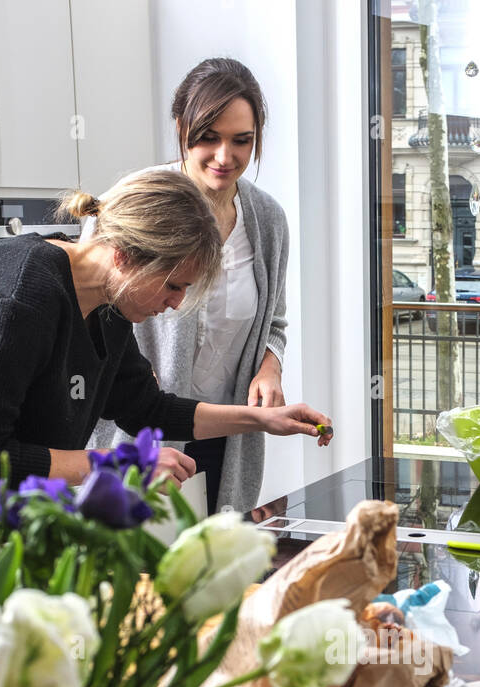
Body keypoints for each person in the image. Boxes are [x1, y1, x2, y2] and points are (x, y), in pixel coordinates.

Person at [0, 168, 331, 487]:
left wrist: (262, 420)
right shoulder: (24, 302)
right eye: (173, 285)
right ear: (125, 256)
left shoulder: (106, 305)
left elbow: (147, 408)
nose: (177, 303)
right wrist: (122, 463)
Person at [87, 57, 291, 515]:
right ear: (181, 127)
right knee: (140, 576)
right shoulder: (138, 200)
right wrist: (133, 370)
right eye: (208, 138)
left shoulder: (269, 220)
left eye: (242, 141)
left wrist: (269, 368)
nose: (225, 157)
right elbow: (88, 311)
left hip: (226, 432)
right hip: (141, 434)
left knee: (212, 570)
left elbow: (273, 319)